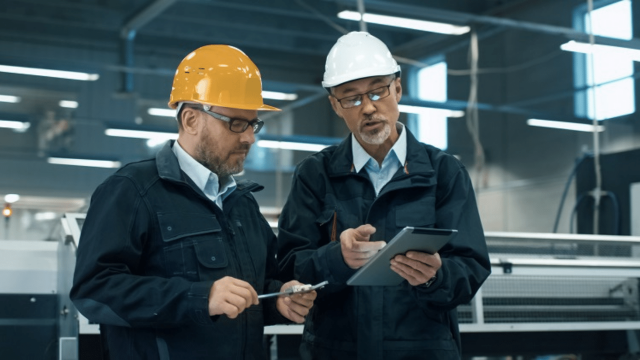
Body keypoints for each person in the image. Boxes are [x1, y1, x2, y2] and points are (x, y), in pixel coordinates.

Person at [70, 45, 317, 360]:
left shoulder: (242, 203)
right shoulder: (133, 191)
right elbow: (95, 291)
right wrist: (200, 297)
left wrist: (278, 299)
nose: (249, 138)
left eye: (253, 124)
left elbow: (258, 287)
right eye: (236, 123)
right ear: (190, 120)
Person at [277, 31, 491, 360]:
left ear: (398, 89)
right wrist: (337, 258)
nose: (368, 107)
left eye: (378, 91)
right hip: (335, 351)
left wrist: (436, 275)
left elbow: (472, 267)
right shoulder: (314, 175)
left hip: (421, 351)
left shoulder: (444, 173)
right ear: (335, 105)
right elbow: (291, 267)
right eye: (352, 98)